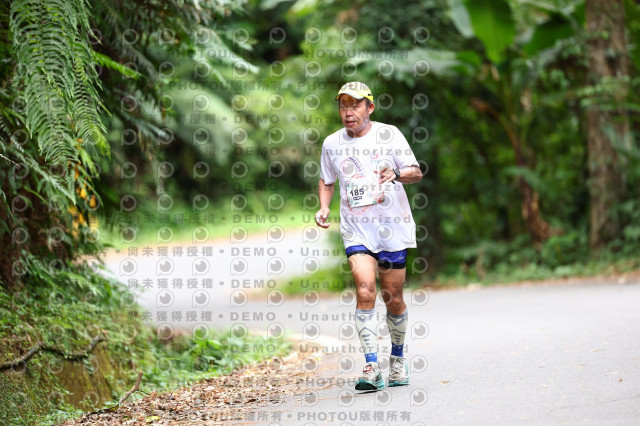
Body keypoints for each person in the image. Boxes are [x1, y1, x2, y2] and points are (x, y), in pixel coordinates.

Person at [315, 81, 422, 391]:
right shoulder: (331, 144)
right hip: (356, 229)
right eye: (343, 106)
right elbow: (326, 180)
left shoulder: (389, 134)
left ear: (370, 108)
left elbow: (416, 172)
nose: (349, 112)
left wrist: (396, 174)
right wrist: (324, 206)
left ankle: (398, 359)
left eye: (356, 105)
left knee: (393, 298)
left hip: (392, 227)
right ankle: (372, 366)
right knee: (364, 290)